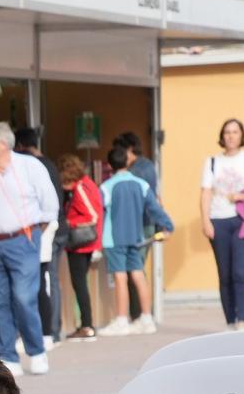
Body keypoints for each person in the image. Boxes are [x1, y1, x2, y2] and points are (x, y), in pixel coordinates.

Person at [0, 121, 57, 375]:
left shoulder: (29, 166)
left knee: (23, 298)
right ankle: (8, 354)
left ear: (1, 144)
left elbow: (50, 205)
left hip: (23, 240)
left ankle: (36, 350)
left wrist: (32, 236)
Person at [99, 145, 172, 337]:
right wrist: (167, 225)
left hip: (113, 238)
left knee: (120, 277)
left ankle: (122, 320)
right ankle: (146, 319)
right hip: (136, 237)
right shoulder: (141, 184)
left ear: (109, 165)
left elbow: (100, 215)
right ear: (128, 161)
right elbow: (154, 208)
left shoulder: (106, 187)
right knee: (139, 275)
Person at [200, 117, 244, 330]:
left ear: (241, 135)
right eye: (227, 132)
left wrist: (241, 196)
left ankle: (243, 321)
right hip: (218, 220)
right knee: (225, 274)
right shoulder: (212, 162)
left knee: (240, 272)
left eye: (235, 132)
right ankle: (230, 320)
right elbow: (206, 193)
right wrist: (205, 221)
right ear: (222, 136)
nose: (231, 136)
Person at [15, 127, 64, 343]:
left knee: (45, 281)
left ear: (20, 146)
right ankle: (51, 329)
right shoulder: (49, 164)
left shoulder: (34, 166)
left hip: (45, 231)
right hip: (55, 228)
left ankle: (49, 330)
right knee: (49, 280)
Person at [58, 155, 104, 340]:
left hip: (80, 245)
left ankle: (87, 325)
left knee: (80, 286)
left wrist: (70, 221)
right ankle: (85, 324)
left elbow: (92, 216)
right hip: (87, 245)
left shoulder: (80, 189)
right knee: (80, 285)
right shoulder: (88, 183)